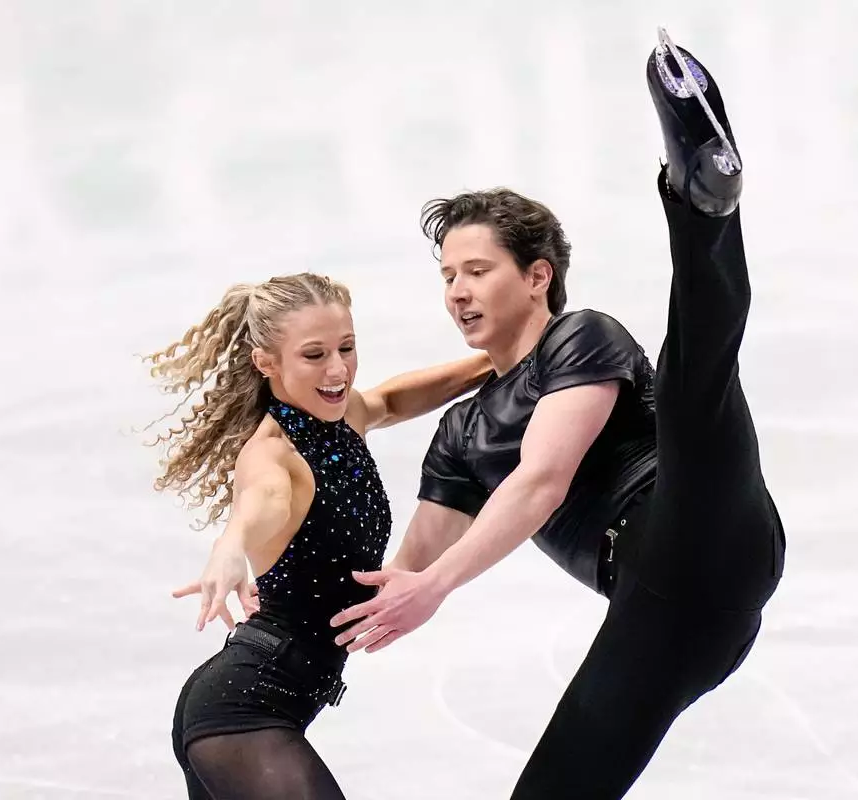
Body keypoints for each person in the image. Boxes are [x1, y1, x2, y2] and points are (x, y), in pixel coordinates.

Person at [329, 30, 787, 797]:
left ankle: (701, 199)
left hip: (698, 518)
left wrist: (437, 586)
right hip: (667, 617)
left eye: (477, 270)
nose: (458, 292)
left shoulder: (580, 337)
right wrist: (290, 601)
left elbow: (541, 481)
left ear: (538, 275)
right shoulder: (462, 434)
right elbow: (401, 571)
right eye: (447, 277)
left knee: (694, 380)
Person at [144, 272, 491, 799]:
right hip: (243, 711)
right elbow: (261, 504)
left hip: (254, 703)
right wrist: (229, 548)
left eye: (346, 348)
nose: (337, 370)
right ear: (266, 362)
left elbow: (393, 401)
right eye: (313, 356)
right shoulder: (272, 454)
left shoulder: (341, 414)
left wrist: (501, 358)